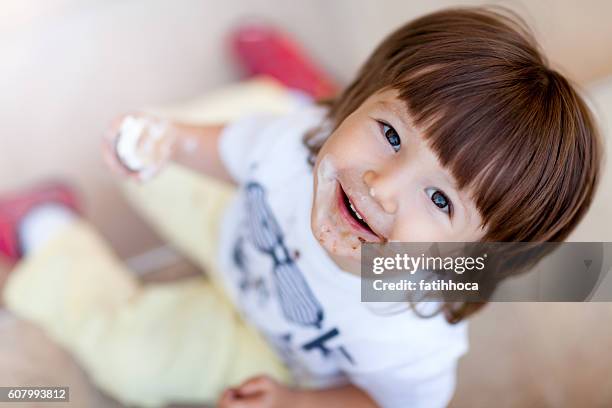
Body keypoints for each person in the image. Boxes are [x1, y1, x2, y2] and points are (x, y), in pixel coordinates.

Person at [0, 7, 601, 408]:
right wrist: (168, 140)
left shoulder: (405, 340)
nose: (379, 185)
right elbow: (227, 151)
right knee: (162, 163)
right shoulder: (294, 149)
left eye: (440, 198)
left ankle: (45, 228)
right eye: (390, 135)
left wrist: (294, 403)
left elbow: (383, 405)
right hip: (239, 225)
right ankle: (304, 92)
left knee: (132, 364)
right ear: (364, 99)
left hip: (272, 349)